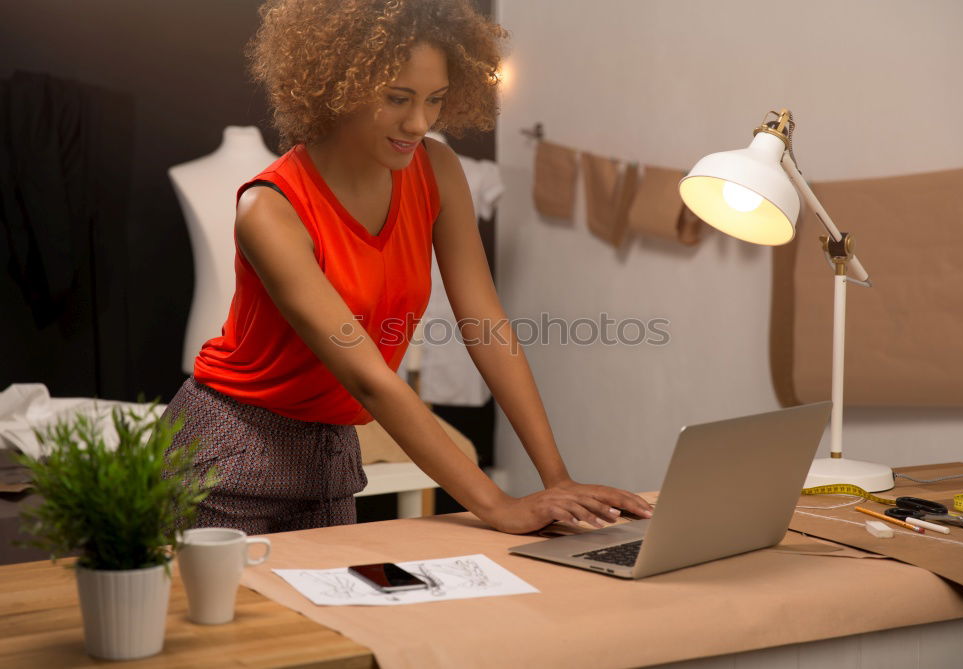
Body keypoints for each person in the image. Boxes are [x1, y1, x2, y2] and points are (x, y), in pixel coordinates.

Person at [164, 0, 653, 536]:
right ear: (339, 86)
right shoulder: (272, 209)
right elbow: (368, 377)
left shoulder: (436, 170)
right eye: (397, 99)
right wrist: (496, 505)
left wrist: (557, 479)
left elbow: (485, 323)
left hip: (329, 459)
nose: (419, 123)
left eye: (435, 100)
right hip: (228, 454)